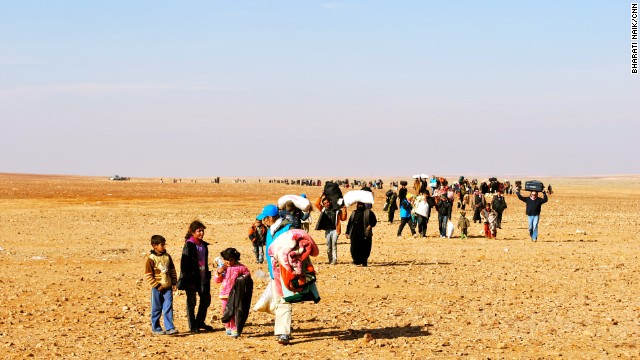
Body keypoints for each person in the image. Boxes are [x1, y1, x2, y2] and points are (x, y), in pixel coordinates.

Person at [256, 204, 294, 344]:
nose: (263, 221)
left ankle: (284, 333)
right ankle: (284, 328)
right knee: (278, 302)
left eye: (264, 218)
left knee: (284, 301)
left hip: (284, 271)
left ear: (270, 218)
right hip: (274, 273)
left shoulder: (286, 229)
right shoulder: (271, 230)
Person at [177, 220, 214, 333]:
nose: (201, 233)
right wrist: (187, 279)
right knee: (191, 302)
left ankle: (200, 321)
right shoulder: (189, 245)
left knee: (205, 299)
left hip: (203, 277)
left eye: (202, 231)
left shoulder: (203, 245)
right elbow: (184, 265)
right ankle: (192, 325)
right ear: (193, 232)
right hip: (192, 279)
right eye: (199, 231)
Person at [213, 248, 251, 338]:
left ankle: (234, 328)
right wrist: (218, 273)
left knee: (233, 311)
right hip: (225, 294)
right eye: (227, 260)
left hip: (236, 294)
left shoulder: (241, 268)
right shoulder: (223, 268)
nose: (229, 262)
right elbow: (217, 280)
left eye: (231, 260)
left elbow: (247, 278)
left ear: (235, 259)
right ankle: (227, 326)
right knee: (225, 311)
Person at [144, 235, 178, 335]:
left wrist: (174, 282)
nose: (164, 247)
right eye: (162, 245)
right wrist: (157, 285)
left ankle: (169, 328)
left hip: (167, 287)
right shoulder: (151, 259)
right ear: (154, 246)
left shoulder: (167, 257)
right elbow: (148, 275)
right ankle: (156, 328)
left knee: (168, 307)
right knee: (156, 308)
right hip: (157, 288)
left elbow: (172, 270)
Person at [314, 196, 347, 264]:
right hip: (328, 231)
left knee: (334, 244)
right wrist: (321, 195)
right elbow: (316, 204)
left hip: (335, 230)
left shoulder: (337, 210)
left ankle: (334, 260)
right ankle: (330, 259)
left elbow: (343, 218)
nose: (327, 204)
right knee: (329, 246)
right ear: (323, 204)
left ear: (330, 202)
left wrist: (344, 210)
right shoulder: (323, 210)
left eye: (327, 202)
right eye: (325, 203)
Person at [346, 199, 377, 266]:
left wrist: (369, 227)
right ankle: (356, 260)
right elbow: (350, 223)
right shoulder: (354, 213)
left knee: (365, 248)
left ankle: (364, 261)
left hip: (364, 234)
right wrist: (347, 232)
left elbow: (374, 221)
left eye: (361, 204)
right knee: (354, 248)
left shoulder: (368, 212)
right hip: (354, 234)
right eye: (359, 204)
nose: (360, 205)